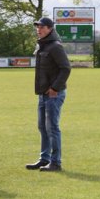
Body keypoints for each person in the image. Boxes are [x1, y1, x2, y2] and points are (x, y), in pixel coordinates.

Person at [26, 17, 71, 172]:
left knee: (52, 127)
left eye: (42, 27)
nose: (39, 29)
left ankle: (56, 162)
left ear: (50, 29)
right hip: (43, 94)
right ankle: (44, 158)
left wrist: (54, 88)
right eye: (37, 27)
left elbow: (66, 68)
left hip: (53, 94)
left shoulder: (55, 46)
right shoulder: (43, 46)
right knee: (43, 127)